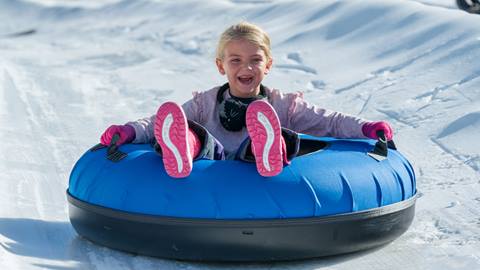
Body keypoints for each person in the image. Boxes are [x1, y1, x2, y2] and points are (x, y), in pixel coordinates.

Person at [100, 22, 393, 178]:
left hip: (255, 162)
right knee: (196, 136)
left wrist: (367, 128)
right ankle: (183, 148)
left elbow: (330, 122)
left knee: (286, 136)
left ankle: (268, 146)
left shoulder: (284, 104)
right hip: (209, 163)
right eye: (236, 60)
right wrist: (128, 131)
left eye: (255, 60)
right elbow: (155, 123)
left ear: (268, 65)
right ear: (221, 66)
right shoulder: (205, 103)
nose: (246, 68)